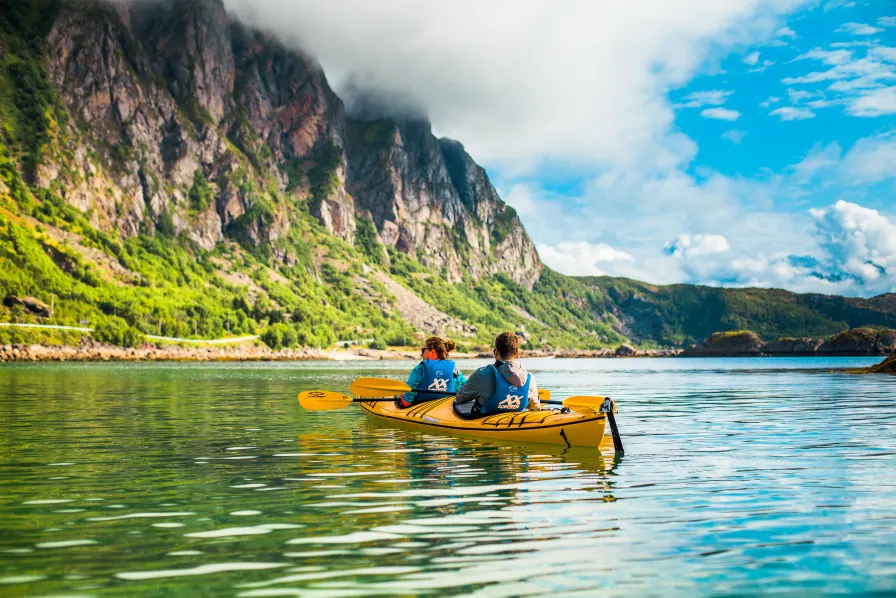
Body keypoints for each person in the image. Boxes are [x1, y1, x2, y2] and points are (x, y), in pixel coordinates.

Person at [454, 332, 540, 417]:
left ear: (496, 352)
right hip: (515, 419)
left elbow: (460, 398)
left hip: (485, 419)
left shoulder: (482, 374)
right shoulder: (529, 378)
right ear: (517, 353)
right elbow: (535, 407)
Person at [401, 336, 467, 407]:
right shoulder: (454, 370)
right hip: (447, 408)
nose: (421, 354)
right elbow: (465, 389)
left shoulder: (420, 369)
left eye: (423, 350)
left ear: (432, 351)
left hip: (421, 406)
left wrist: (402, 398)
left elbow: (407, 399)